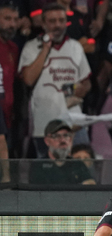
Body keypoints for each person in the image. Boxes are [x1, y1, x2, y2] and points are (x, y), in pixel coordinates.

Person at [18, 3, 92, 158]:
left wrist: (83, 88)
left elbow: (87, 81)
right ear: (43, 24)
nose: (57, 25)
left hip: (74, 126)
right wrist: (45, 48)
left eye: (61, 20)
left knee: (82, 171)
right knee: (47, 175)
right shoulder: (31, 48)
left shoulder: (75, 47)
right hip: (45, 126)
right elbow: (28, 79)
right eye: (52, 21)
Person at [29, 120, 95, 185]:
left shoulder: (78, 164)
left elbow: (90, 185)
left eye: (66, 135)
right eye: (57, 136)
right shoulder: (39, 165)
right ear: (47, 141)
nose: (63, 140)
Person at [0, 3, 17, 182]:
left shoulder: (13, 47)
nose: (12, 24)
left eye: (14, 20)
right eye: (7, 19)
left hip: (9, 115)